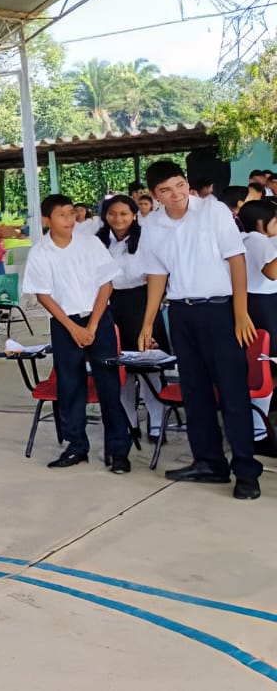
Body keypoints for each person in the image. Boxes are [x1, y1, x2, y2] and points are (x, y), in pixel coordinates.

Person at [137, 160, 261, 500]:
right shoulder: (153, 225)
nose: (175, 194)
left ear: (186, 182)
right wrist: (148, 322)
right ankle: (209, 463)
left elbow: (236, 259)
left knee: (232, 392)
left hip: (220, 311)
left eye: (179, 185)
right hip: (180, 313)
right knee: (195, 392)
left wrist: (240, 312)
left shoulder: (213, 211)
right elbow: (156, 275)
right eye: (166, 190)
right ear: (155, 195)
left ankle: (246, 472)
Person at [22, 194, 132, 472]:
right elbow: (43, 295)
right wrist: (73, 328)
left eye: (72, 213)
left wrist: (92, 326)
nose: (69, 219)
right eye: (62, 215)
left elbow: (106, 284)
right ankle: (76, 446)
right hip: (64, 322)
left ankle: (118, 450)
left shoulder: (90, 243)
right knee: (70, 386)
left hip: (98, 319)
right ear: (47, 219)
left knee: (109, 385)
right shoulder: (40, 252)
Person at [97, 195, 169, 446]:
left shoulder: (146, 239)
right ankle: (129, 421)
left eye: (124, 214)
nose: (118, 219)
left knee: (148, 365)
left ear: (134, 215)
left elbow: (158, 276)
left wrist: (151, 314)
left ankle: (157, 420)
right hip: (112, 304)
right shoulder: (98, 242)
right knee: (122, 367)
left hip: (142, 303)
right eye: (112, 213)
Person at [237, 199, 277, 458]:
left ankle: (259, 429)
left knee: (265, 369)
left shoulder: (250, 239)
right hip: (262, 305)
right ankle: (258, 433)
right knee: (265, 368)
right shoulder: (257, 240)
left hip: (261, 302)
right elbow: (271, 272)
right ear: (262, 223)